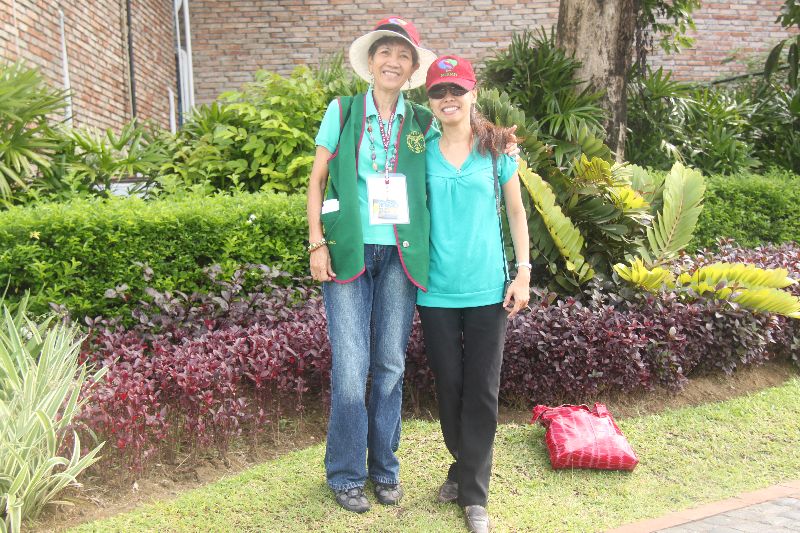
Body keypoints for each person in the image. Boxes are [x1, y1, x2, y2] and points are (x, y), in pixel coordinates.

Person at [306, 17, 438, 513]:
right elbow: (317, 180)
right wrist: (317, 242)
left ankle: (384, 469)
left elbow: (460, 144)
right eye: (386, 52)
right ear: (371, 60)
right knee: (351, 366)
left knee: (389, 365)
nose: (393, 61)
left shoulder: (422, 121)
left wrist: (500, 143)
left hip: (401, 255)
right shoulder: (342, 111)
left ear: (412, 68)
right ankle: (344, 473)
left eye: (403, 55)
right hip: (349, 251)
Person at [417, 55, 531, 533]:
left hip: (488, 289)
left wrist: (523, 273)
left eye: (456, 90)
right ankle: (462, 467)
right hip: (435, 291)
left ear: (473, 94)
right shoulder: (418, 149)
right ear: (429, 101)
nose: (449, 99)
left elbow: (517, 213)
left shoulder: (497, 149)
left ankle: (474, 496)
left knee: (482, 390)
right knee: (450, 388)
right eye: (439, 92)